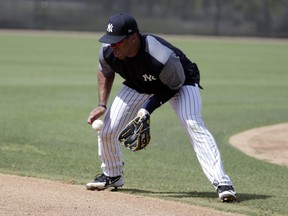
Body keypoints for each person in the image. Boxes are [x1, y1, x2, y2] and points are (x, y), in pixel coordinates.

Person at [86, 13, 237, 202]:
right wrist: (102, 104)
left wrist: (147, 108)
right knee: (108, 130)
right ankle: (112, 175)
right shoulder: (108, 52)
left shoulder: (160, 56)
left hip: (180, 83)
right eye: (110, 41)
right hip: (139, 83)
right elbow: (105, 72)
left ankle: (222, 182)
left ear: (133, 38)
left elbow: (173, 86)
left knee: (193, 124)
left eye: (117, 41)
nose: (112, 45)